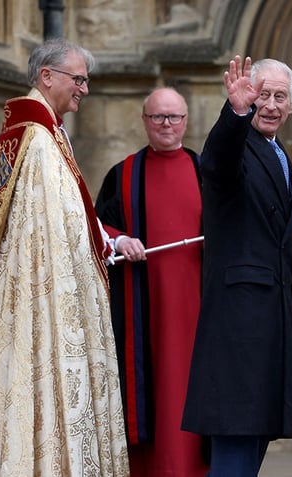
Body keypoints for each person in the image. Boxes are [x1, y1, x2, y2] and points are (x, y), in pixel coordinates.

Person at [0, 38, 129, 476]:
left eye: (86, 80)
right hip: (47, 299)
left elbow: (70, 217)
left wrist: (106, 243)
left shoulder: (46, 133)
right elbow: (47, 238)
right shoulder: (37, 141)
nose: (84, 89)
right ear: (46, 76)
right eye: (78, 79)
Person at [181, 55, 292, 476]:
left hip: (269, 317)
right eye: (262, 95)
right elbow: (216, 162)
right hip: (238, 318)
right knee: (235, 438)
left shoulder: (277, 151)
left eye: (279, 97)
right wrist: (235, 112)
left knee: (254, 438)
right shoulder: (238, 144)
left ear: (291, 106)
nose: (269, 105)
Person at [94, 87, 208, 477]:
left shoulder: (206, 172)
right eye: (158, 117)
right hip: (142, 311)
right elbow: (96, 228)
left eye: (174, 117)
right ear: (144, 121)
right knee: (152, 394)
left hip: (198, 310)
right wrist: (121, 239)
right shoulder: (123, 175)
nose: (166, 125)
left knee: (191, 392)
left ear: (186, 122)